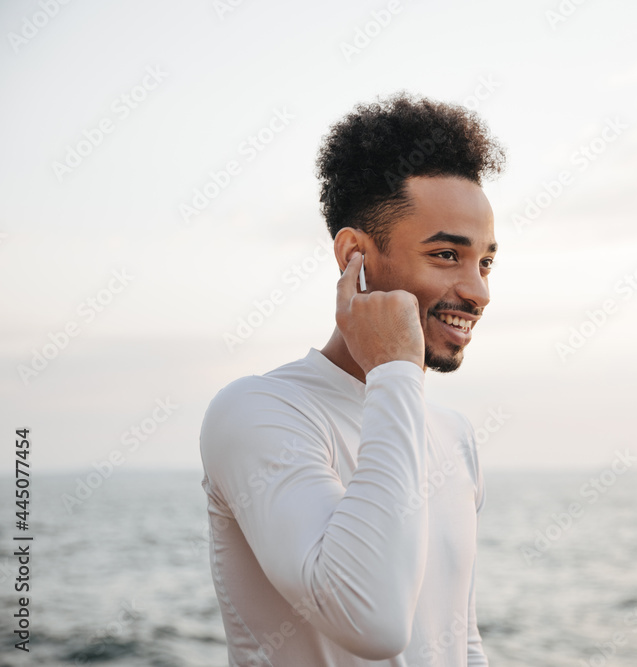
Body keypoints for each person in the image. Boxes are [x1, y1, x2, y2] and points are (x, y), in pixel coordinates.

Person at [198, 92, 505, 666]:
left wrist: (396, 381)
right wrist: (393, 369)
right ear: (354, 256)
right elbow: (375, 621)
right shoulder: (258, 412)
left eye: (486, 261)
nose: (479, 290)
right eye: (446, 255)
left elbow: (458, 640)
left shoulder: (453, 434)